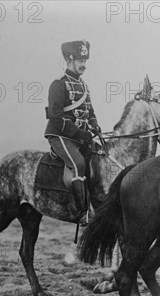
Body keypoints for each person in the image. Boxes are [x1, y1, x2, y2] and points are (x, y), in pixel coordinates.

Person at [44, 40, 100, 226]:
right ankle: (82, 213)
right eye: (79, 60)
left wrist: (94, 125)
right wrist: (78, 133)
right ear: (69, 60)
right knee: (78, 164)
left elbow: (89, 112)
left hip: (80, 137)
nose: (84, 64)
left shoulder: (83, 86)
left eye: (85, 60)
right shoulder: (58, 85)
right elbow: (55, 115)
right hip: (60, 136)